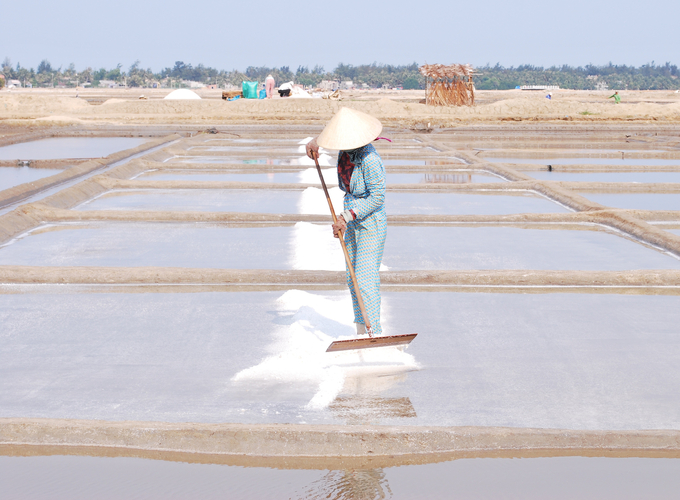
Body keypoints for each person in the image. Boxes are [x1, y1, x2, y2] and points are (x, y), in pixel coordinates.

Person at [306, 108, 386, 336]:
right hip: (350, 219)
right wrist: (314, 143)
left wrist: (345, 217)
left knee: (364, 278)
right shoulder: (347, 150)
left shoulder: (370, 159)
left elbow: (378, 196)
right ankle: (363, 331)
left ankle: (375, 334)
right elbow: (322, 139)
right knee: (353, 278)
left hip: (371, 222)